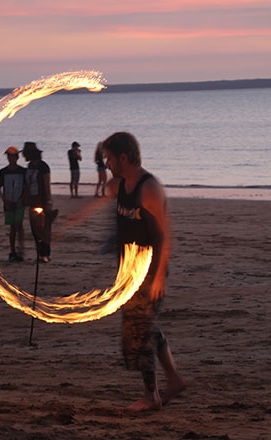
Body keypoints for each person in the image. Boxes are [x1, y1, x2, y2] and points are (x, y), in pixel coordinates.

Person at [101, 131, 185, 411]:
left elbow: (163, 236)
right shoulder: (121, 184)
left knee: (139, 333)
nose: (107, 164)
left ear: (123, 158)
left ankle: (152, 395)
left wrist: (159, 275)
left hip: (148, 271)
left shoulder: (149, 189)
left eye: (110, 159)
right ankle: (173, 380)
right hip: (128, 269)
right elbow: (109, 192)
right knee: (145, 327)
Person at [22, 141, 57, 263]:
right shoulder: (30, 166)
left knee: (44, 229)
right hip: (32, 200)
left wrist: (48, 201)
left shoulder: (43, 166)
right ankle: (39, 252)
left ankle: (45, 254)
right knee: (34, 229)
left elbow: (46, 185)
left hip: (42, 201)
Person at [0, 146, 26, 262]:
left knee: (19, 225)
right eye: (9, 156)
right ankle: (12, 250)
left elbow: (26, 187)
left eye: (13, 156)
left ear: (17, 157)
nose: (11, 158)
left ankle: (21, 249)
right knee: (12, 227)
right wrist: (4, 200)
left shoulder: (22, 171)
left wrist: (21, 199)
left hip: (19, 202)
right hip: (8, 203)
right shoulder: (3, 171)